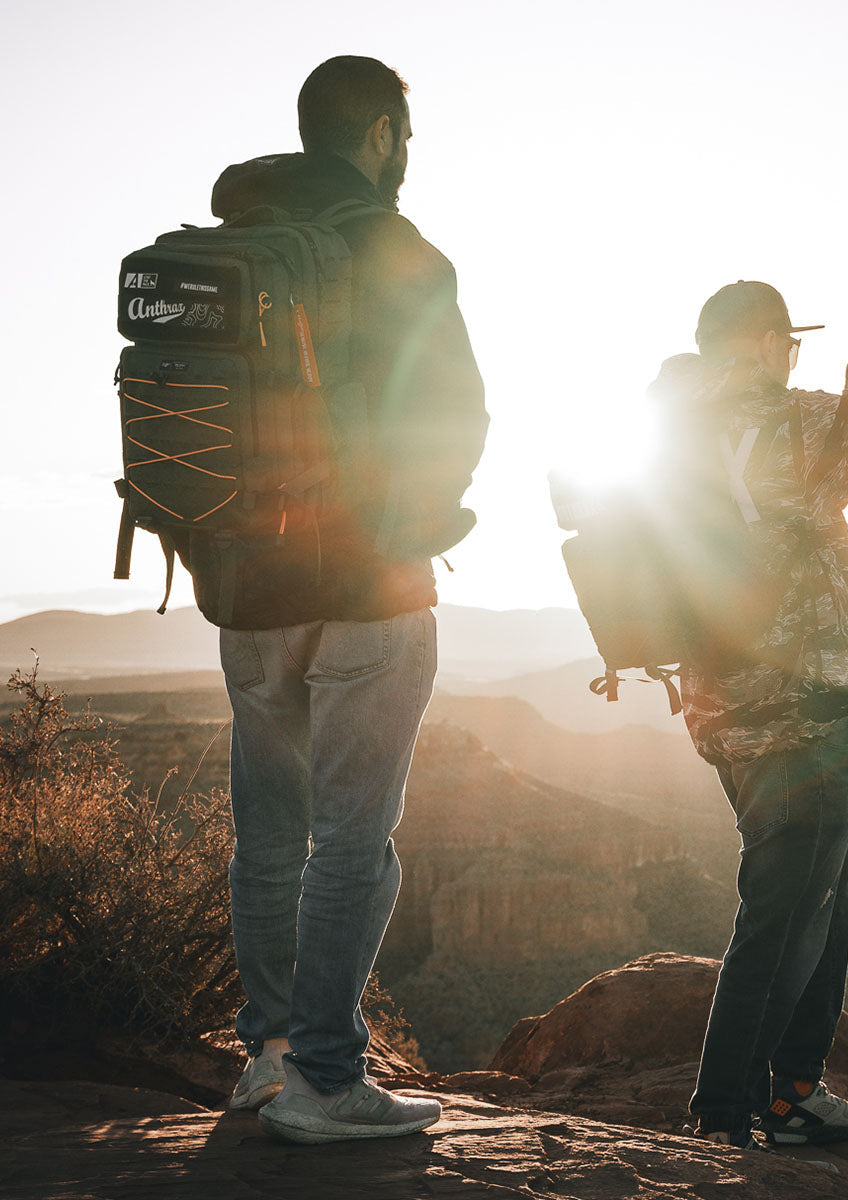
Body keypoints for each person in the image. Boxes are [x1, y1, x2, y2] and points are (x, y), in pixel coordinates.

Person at [213, 57, 488, 1144]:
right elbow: (457, 417)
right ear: (379, 131)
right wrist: (412, 526)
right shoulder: (399, 252)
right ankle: (329, 1080)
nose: (408, 157)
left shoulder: (228, 242)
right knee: (353, 845)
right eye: (405, 136)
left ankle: (270, 1058)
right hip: (366, 584)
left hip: (243, 587)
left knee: (268, 839)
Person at [651, 281, 848, 1148]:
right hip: (795, 704)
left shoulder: (672, 430)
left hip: (719, 703)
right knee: (785, 911)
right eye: (788, 346)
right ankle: (724, 1113)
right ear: (760, 343)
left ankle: (795, 1093)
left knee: (821, 892)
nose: (793, 363)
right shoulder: (793, 426)